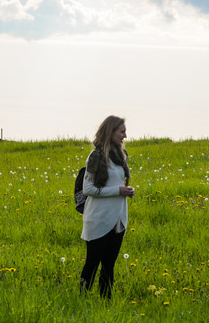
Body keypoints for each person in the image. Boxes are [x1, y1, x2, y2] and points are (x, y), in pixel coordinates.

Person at [80, 115, 135, 299]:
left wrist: (127, 190)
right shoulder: (95, 156)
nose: (125, 136)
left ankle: (106, 303)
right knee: (92, 263)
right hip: (99, 219)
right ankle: (82, 300)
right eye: (122, 131)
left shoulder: (120, 156)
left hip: (118, 219)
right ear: (110, 131)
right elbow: (88, 189)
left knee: (109, 265)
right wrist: (117, 190)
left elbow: (116, 184)